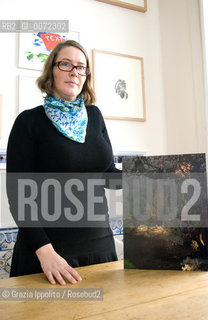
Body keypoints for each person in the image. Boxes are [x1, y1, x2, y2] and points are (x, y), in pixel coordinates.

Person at [6, 40, 121, 285]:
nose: (74, 72)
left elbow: (107, 174)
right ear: (52, 71)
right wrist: (45, 252)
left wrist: (151, 172)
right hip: (49, 254)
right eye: (66, 64)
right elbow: (18, 194)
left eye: (81, 67)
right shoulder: (29, 122)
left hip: (100, 246)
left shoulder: (95, 116)